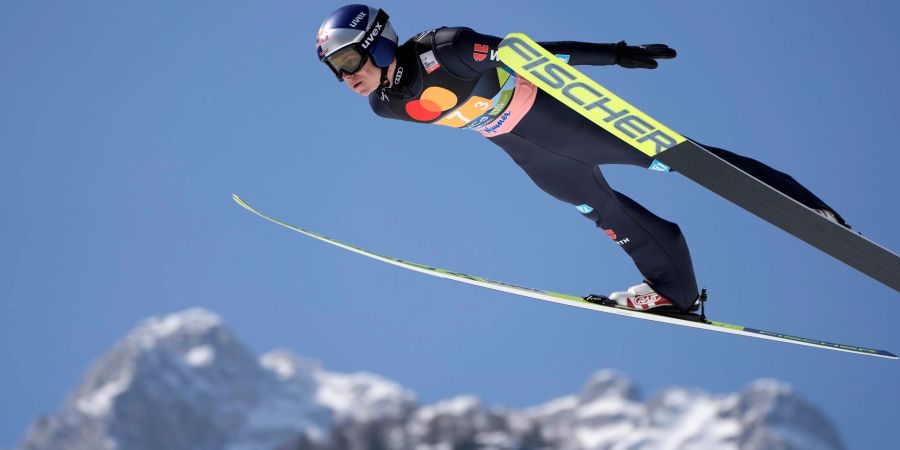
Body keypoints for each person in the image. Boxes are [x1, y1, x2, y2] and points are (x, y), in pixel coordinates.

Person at [315, 4, 848, 312]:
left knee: (691, 161)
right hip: (532, 157)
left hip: (562, 121)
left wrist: (612, 54)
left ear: (376, 42)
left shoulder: (445, 46)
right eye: (334, 69)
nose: (345, 76)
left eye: (346, 58)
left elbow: (532, 54)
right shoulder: (384, 106)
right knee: (607, 215)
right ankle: (674, 294)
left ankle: (807, 208)